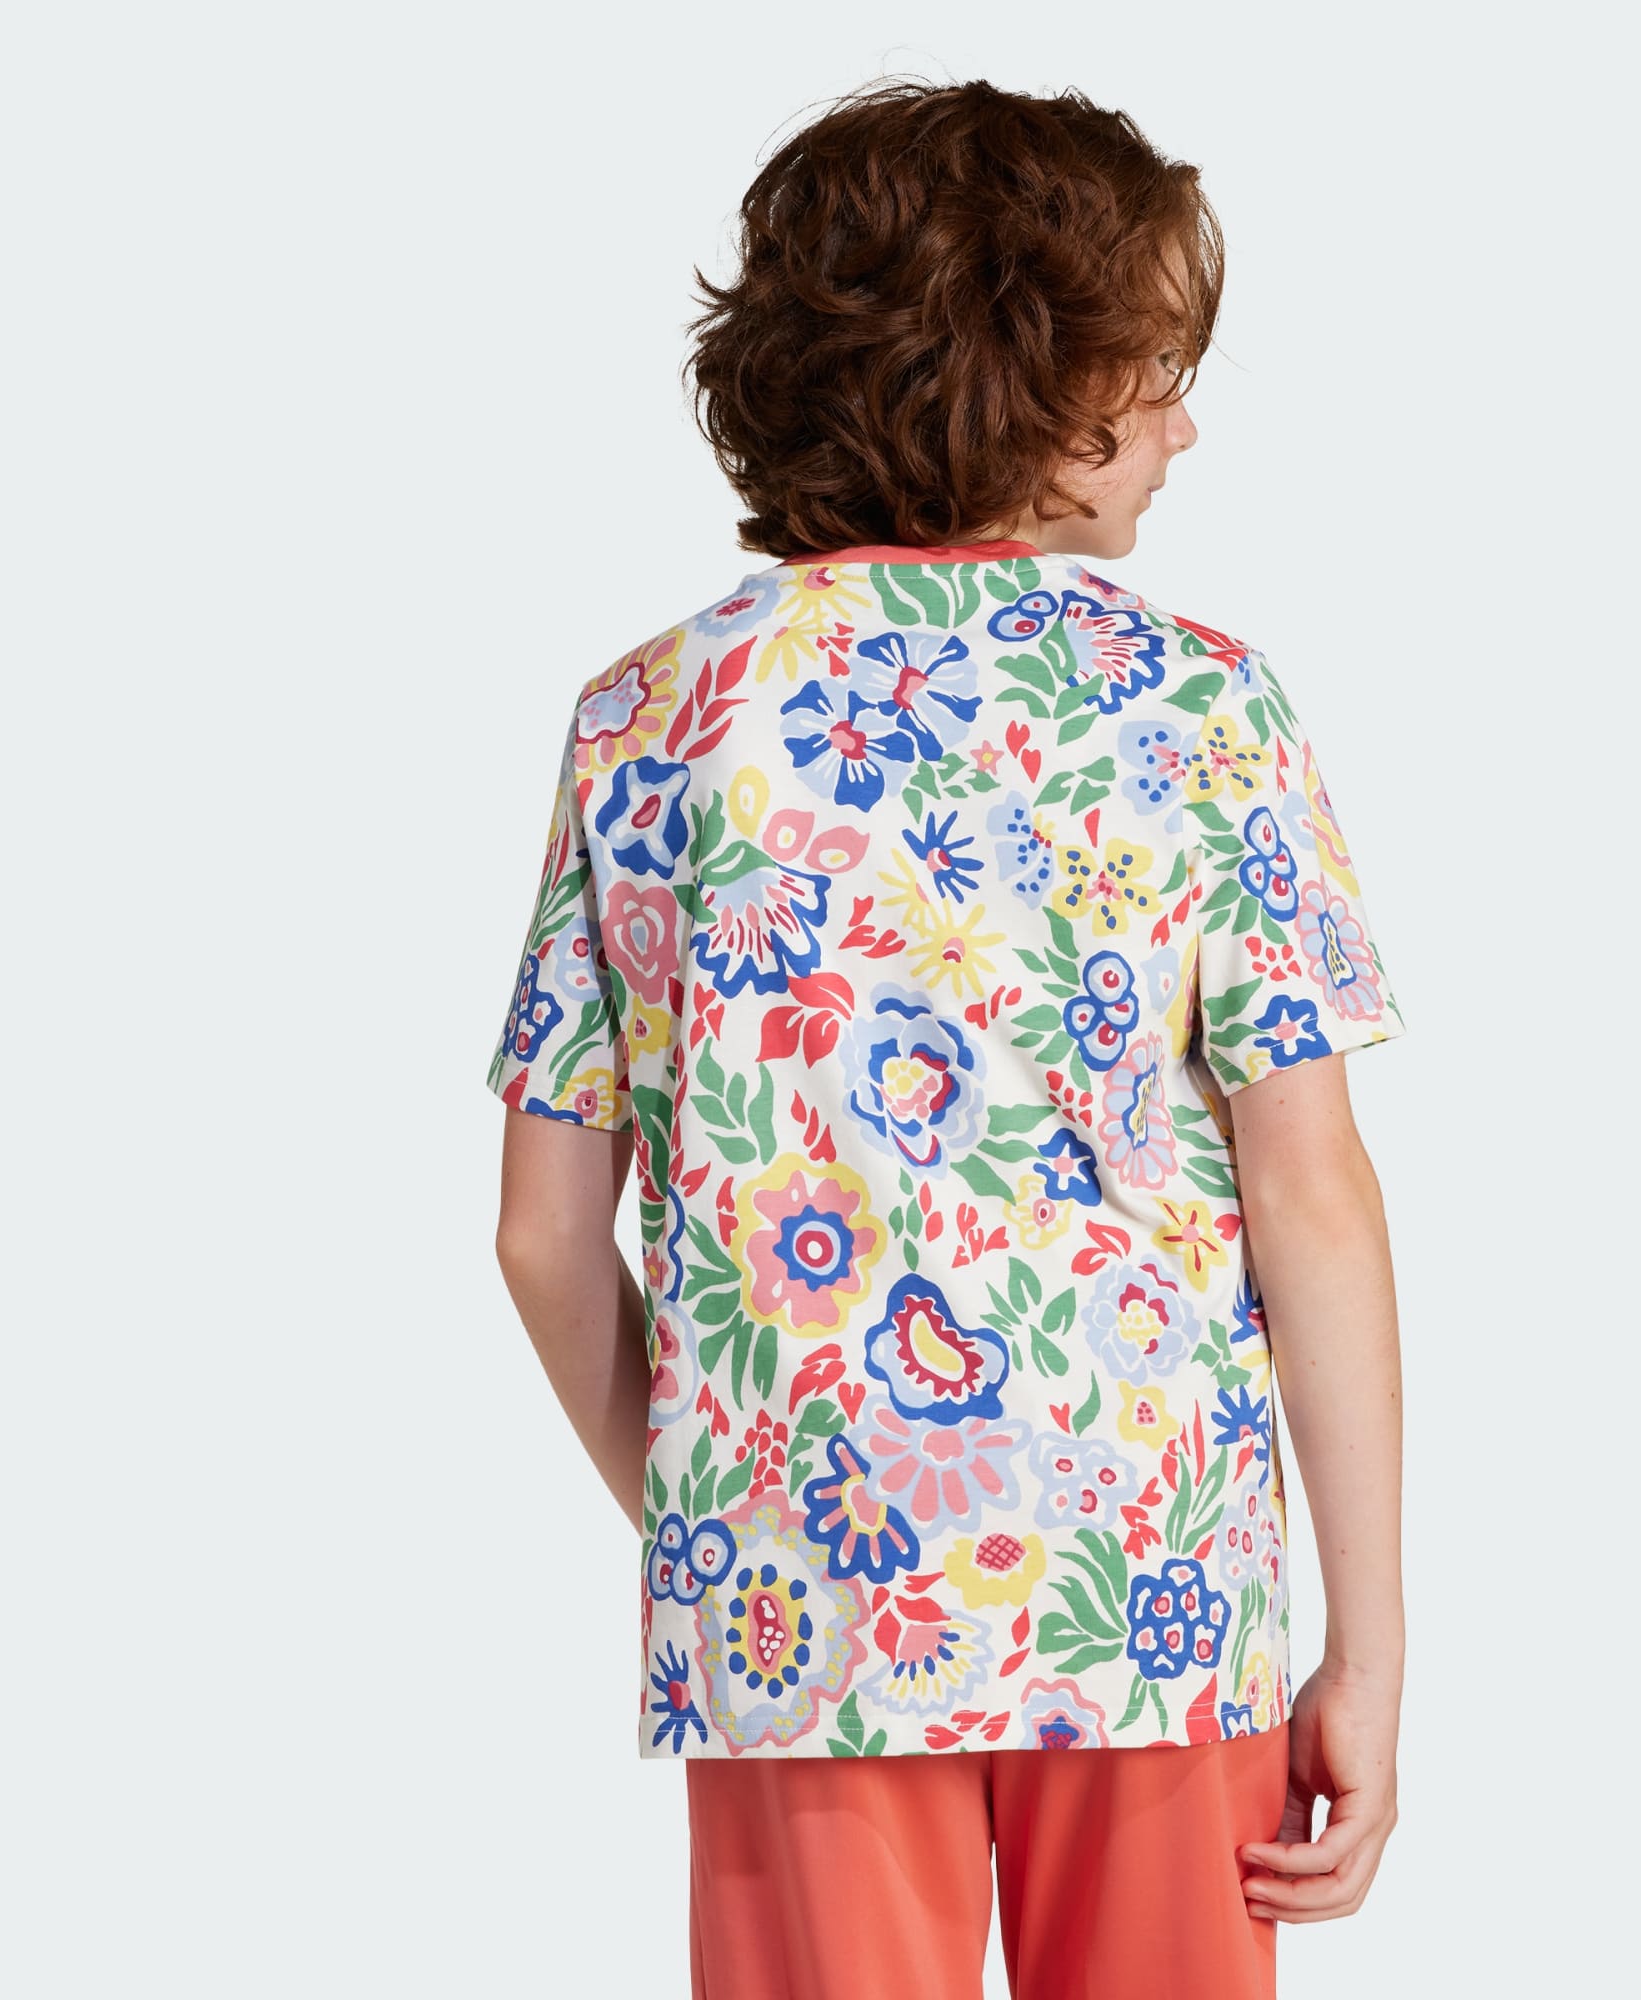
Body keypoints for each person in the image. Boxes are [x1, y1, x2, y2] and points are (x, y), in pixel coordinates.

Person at [488, 76, 1407, 2000]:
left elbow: (544, 1235)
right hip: (1147, 1585)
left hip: (795, 1608)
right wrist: (1371, 1646)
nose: (1182, 424)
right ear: (1029, 381)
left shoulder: (645, 717)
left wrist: (729, 1527)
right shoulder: (1200, 706)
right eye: (1152, 374)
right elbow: (1311, 1194)